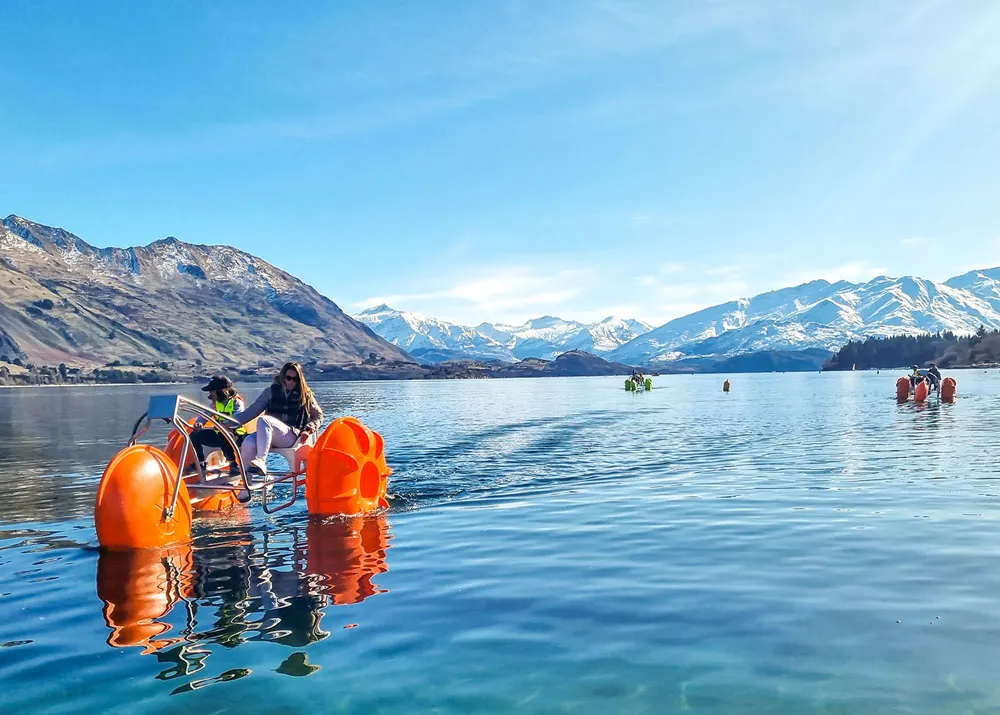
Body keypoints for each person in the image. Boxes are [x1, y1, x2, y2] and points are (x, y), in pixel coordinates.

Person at [232, 362, 324, 476]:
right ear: (282, 377)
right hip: (269, 434)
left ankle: (261, 460)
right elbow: (251, 411)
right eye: (288, 378)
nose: (291, 382)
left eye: (295, 379)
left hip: (292, 436)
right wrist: (228, 423)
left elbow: (318, 416)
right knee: (248, 442)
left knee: (264, 420)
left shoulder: (305, 395)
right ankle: (246, 486)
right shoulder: (270, 392)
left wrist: (308, 429)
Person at [190, 375, 246, 477]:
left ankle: (234, 465)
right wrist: (199, 423)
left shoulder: (237, 402)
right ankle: (200, 464)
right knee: (194, 435)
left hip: (237, 435)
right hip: (220, 432)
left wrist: (224, 426)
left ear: (221, 391)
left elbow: (238, 419)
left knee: (223, 435)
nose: (210, 394)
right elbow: (205, 415)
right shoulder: (215, 404)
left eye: (212, 391)